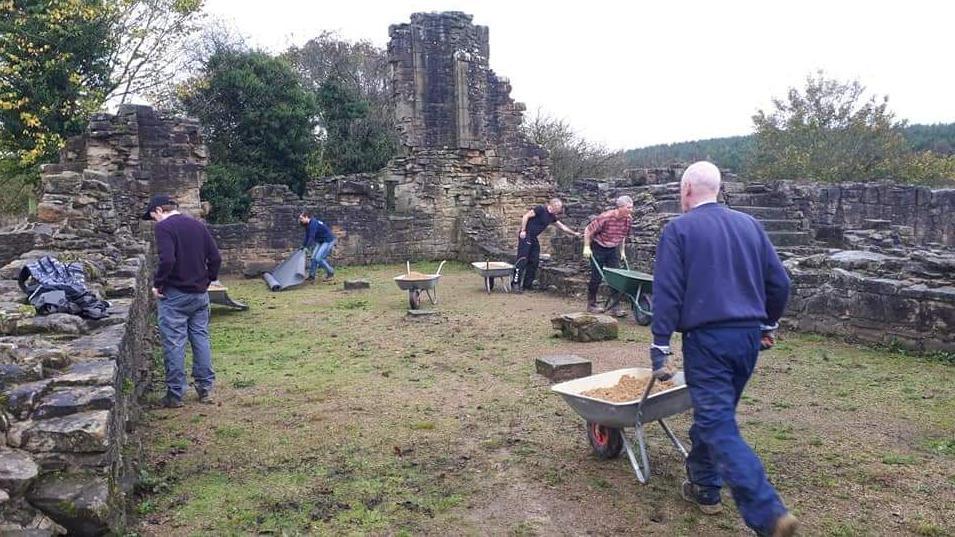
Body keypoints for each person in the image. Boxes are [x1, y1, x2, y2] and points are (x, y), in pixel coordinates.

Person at [649, 161, 797, 537]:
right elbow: (779, 282)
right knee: (716, 416)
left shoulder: (678, 230)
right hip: (746, 340)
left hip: (709, 342)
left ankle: (768, 514)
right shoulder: (749, 225)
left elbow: (666, 292)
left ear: (685, 191)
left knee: (716, 422)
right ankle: (706, 487)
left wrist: (659, 346)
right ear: (718, 189)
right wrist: (768, 324)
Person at [142, 194, 221, 408]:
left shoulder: (164, 227)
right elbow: (215, 258)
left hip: (175, 294)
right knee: (201, 339)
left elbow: (167, 259)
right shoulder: (197, 225)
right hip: (199, 293)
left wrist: (158, 284)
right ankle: (205, 389)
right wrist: (209, 279)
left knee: (174, 342)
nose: (154, 222)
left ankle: (175, 394)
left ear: (159, 211)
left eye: (152, 217)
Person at [512, 198, 580, 292]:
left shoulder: (552, 216)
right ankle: (515, 283)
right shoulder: (541, 209)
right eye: (559, 207)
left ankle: (527, 285)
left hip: (533, 237)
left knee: (534, 260)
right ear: (554, 206)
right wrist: (523, 230)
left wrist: (574, 233)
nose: (560, 210)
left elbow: (562, 227)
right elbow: (526, 216)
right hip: (526, 235)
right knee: (522, 259)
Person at [582, 195, 634, 315]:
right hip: (598, 247)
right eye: (628, 208)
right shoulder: (605, 217)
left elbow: (622, 236)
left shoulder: (628, 219)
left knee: (616, 277)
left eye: (632, 207)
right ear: (620, 207)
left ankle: (615, 307)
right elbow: (588, 230)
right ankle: (591, 304)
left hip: (612, 248)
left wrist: (622, 252)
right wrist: (586, 247)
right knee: (596, 276)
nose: (631, 210)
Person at [298, 211, 336, 281]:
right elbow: (307, 236)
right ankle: (311, 276)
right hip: (321, 241)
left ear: (306, 217)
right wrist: (303, 245)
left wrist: (307, 247)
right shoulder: (307, 224)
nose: (300, 220)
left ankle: (330, 272)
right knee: (313, 258)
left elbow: (311, 237)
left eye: (301, 218)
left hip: (328, 240)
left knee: (319, 258)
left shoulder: (313, 223)